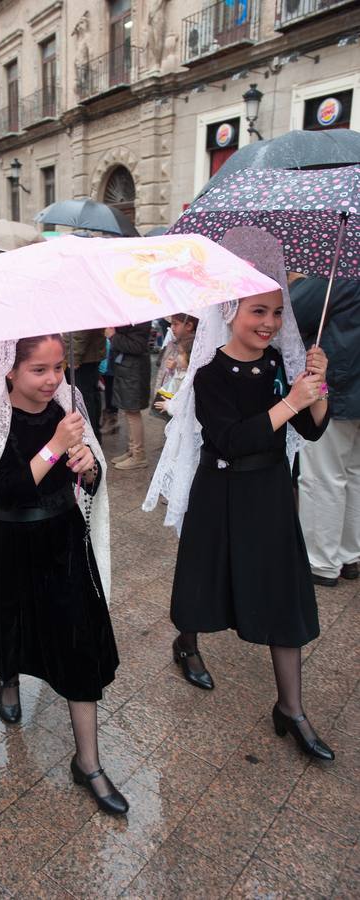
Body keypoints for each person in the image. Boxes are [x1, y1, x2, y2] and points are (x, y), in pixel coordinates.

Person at [144, 227, 334, 762]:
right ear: (229, 310)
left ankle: (291, 708)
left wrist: (317, 387)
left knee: (279, 592)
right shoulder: (209, 375)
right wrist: (292, 403)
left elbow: (315, 430)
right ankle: (188, 642)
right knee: (207, 581)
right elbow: (228, 439)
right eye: (258, 312)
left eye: (276, 312)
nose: (270, 324)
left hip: (270, 492)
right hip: (222, 491)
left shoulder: (280, 365)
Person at [0, 335, 128, 815]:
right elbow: (7, 493)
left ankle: (89, 763)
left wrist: (89, 465)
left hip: (63, 543)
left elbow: (90, 482)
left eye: (58, 367)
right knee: (13, 627)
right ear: (8, 371)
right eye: (39, 369)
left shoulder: (69, 405)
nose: (53, 379)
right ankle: (8, 678)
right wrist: (57, 447)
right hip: (11, 543)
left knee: (77, 647)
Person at [290, 276, 360, 587]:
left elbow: (292, 310)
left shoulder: (341, 273)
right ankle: (349, 553)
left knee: (323, 475)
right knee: (354, 475)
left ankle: (320, 560)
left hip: (340, 386)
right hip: (351, 386)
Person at [108, 323, 151, 470]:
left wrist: (113, 336)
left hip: (134, 371)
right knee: (128, 410)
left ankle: (139, 455)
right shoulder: (132, 315)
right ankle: (132, 450)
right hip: (128, 369)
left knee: (132, 412)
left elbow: (137, 345)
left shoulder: (139, 318)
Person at [152, 313, 198, 419]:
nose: (171, 328)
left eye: (175, 324)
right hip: (170, 397)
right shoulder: (173, 343)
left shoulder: (192, 347)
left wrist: (170, 406)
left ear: (189, 326)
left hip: (176, 406)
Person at [65, 329, 106, 441]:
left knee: (84, 399)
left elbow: (80, 333)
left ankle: (90, 435)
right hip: (90, 355)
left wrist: (75, 357)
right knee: (92, 396)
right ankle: (94, 433)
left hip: (84, 358)